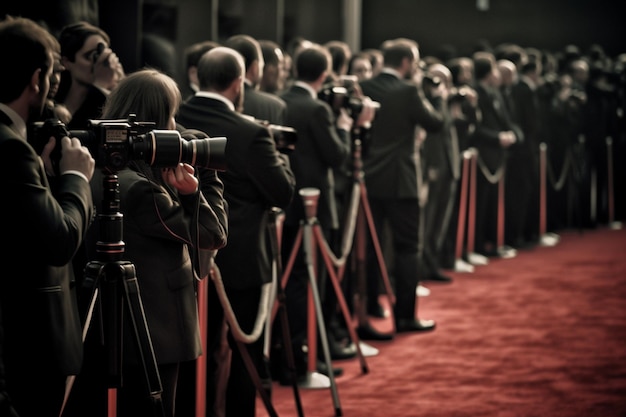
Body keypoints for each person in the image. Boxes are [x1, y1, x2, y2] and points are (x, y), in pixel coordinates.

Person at [63, 69, 228, 417]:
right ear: (152, 123)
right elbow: (212, 235)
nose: (176, 126)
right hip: (152, 336)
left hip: (113, 333)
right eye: (170, 116)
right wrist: (202, 184)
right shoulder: (140, 189)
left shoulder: (97, 172)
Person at [177, 46, 295, 417]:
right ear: (239, 83)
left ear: (198, 77)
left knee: (195, 350)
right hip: (241, 259)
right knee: (244, 356)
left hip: (183, 254)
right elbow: (282, 192)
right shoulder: (251, 133)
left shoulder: (174, 117)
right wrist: (281, 157)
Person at [0, 16, 96, 417]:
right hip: (28, 341)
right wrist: (77, 178)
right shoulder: (12, 149)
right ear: (37, 79)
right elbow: (59, 241)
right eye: (53, 74)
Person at [277, 41, 357, 381]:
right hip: (314, 208)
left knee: (292, 282)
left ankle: (295, 354)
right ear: (324, 74)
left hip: (284, 202)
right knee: (311, 284)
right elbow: (337, 157)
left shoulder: (278, 100)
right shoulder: (318, 110)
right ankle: (306, 356)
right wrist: (344, 127)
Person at [359, 37, 444, 333]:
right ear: (406, 63)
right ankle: (405, 316)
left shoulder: (365, 86)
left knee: (368, 247)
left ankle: (370, 306)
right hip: (402, 180)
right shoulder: (409, 91)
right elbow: (436, 123)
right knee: (408, 248)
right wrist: (437, 96)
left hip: (368, 178)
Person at [469, 52, 521, 257]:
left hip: (496, 155)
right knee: (480, 203)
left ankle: (491, 242)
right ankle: (478, 245)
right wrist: (497, 137)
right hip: (483, 155)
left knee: (491, 203)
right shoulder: (476, 93)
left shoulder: (494, 93)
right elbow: (476, 127)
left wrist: (511, 134)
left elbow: (504, 119)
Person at [420, 62, 460, 283]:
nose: (440, 84)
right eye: (435, 79)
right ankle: (423, 268)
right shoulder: (427, 102)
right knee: (428, 221)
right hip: (434, 167)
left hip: (450, 164)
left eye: (444, 80)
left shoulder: (445, 101)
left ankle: (432, 264)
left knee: (441, 222)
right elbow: (436, 127)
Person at [56, 20, 125, 130]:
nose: (99, 63)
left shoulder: (117, 105)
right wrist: (100, 86)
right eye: (91, 56)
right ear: (66, 62)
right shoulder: (51, 104)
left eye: (103, 55)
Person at [224, 34, 287, 125]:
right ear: (255, 68)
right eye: (279, 65)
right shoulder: (274, 107)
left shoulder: (211, 102)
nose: (282, 73)